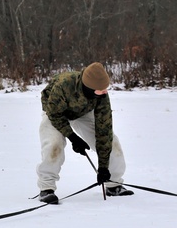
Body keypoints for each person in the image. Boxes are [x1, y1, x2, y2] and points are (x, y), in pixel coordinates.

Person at [36, 62, 133, 204]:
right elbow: (55, 114)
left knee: (113, 143)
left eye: (105, 89)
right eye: (100, 91)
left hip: (83, 113)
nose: (104, 93)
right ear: (88, 87)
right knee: (54, 145)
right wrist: (73, 137)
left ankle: (114, 184)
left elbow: (104, 131)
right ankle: (46, 189)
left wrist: (103, 167)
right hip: (55, 113)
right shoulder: (64, 85)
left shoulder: (101, 96)